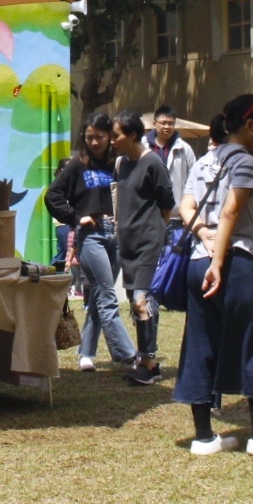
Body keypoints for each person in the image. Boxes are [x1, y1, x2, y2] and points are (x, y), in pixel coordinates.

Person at [175, 94, 253, 456]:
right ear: (249, 124)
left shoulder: (205, 160)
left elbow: (186, 205)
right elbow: (231, 212)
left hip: (197, 262)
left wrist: (202, 236)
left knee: (200, 344)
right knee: (251, 343)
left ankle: (203, 437)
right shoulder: (245, 161)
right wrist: (219, 259)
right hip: (236, 261)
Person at [46, 112, 146, 382]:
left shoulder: (118, 163)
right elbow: (52, 196)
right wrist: (76, 218)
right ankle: (128, 356)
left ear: (109, 137)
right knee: (107, 295)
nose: (94, 142)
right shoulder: (78, 164)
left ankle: (86, 353)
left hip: (115, 234)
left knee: (100, 298)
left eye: (99, 137)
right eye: (89, 137)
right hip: (90, 236)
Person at [111, 111, 175, 384]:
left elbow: (167, 203)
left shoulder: (153, 163)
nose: (112, 141)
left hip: (149, 241)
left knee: (142, 301)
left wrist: (156, 232)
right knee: (134, 302)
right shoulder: (120, 164)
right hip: (127, 243)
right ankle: (147, 360)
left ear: (133, 134)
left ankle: (148, 361)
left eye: (117, 135)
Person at [144, 105, 198, 206]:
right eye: (163, 123)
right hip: (148, 211)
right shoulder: (143, 146)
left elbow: (194, 179)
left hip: (175, 212)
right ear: (154, 123)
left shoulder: (184, 149)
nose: (167, 127)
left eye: (171, 123)